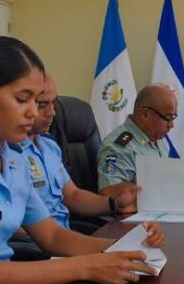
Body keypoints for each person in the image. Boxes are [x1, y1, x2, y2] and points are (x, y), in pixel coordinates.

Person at [0, 36, 165, 284]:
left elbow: (51, 235)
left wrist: (126, 247)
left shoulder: (13, 158)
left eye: (36, 100)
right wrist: (84, 266)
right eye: (22, 99)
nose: (33, 112)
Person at [19, 74, 138, 229]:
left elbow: (73, 196)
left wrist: (115, 203)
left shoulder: (49, 145)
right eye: (42, 104)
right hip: (38, 241)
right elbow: (9, 225)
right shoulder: (7, 152)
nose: (52, 112)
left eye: (53, 103)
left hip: (64, 234)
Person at [97, 84, 177, 197]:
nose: (172, 125)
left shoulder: (159, 140)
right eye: (168, 117)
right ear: (145, 114)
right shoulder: (119, 147)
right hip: (141, 208)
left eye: (173, 117)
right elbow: (109, 192)